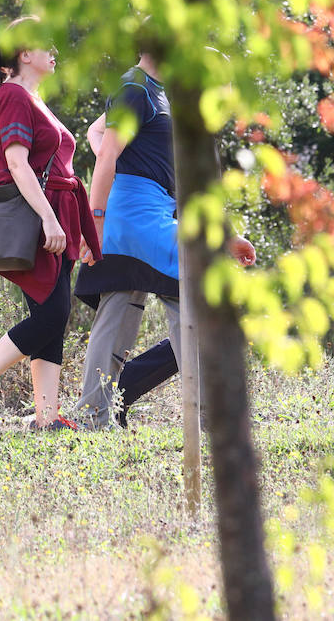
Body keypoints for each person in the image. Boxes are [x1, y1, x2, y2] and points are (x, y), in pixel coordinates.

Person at [73, 54, 256, 428]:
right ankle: (214, 415)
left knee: (118, 313)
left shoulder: (155, 92)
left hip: (142, 211)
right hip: (135, 215)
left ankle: (93, 417)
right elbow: (106, 151)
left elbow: (97, 134)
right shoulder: (135, 87)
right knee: (195, 294)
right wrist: (94, 223)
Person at [0, 18, 101, 432]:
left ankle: (47, 418)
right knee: (52, 315)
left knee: (50, 313)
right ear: (24, 54)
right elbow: (15, 163)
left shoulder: (30, 96)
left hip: (55, 218)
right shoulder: (12, 96)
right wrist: (50, 219)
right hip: (37, 219)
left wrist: (78, 229)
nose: (55, 51)